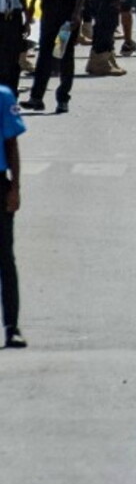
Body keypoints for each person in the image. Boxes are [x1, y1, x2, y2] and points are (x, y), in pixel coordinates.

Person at [0, 82, 25, 347]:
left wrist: (15, 188)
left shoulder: (3, 96)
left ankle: (12, 326)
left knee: (5, 259)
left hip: (0, 184)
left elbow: (12, 145)